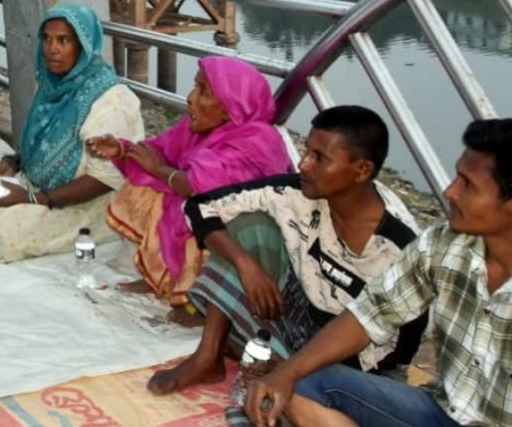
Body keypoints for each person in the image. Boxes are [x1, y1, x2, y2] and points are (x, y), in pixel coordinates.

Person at [244, 118, 512, 427]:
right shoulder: (443, 244)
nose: (449, 192)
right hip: (441, 412)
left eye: (467, 185)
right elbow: (370, 315)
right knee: (299, 380)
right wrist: (286, 373)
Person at [150, 106, 427, 415]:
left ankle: (266, 359)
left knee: (292, 401)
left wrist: (295, 368)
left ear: (362, 170)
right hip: (300, 312)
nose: (304, 164)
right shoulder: (296, 191)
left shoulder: (400, 248)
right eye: (307, 151)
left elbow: (396, 351)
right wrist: (247, 264)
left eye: (320, 158)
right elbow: (201, 206)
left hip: (357, 358)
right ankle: (208, 355)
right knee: (250, 225)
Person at [86, 56, 294, 311]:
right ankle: (163, 279)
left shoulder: (255, 142)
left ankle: (200, 298)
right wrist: (122, 148)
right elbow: (158, 151)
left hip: (244, 237)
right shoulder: (197, 128)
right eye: (195, 87)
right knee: (147, 188)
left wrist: (159, 169)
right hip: (208, 218)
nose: (191, 97)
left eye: (203, 91)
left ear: (232, 107)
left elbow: (203, 187)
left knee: (184, 206)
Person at [0, 3, 143, 262]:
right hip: (37, 184)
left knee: (4, 230)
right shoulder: (51, 84)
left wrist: (34, 199)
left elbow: (104, 179)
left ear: (84, 45)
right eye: (47, 39)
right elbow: (42, 142)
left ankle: (16, 217)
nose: (53, 49)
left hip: (91, 205)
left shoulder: (112, 99)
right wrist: (14, 161)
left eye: (64, 40)